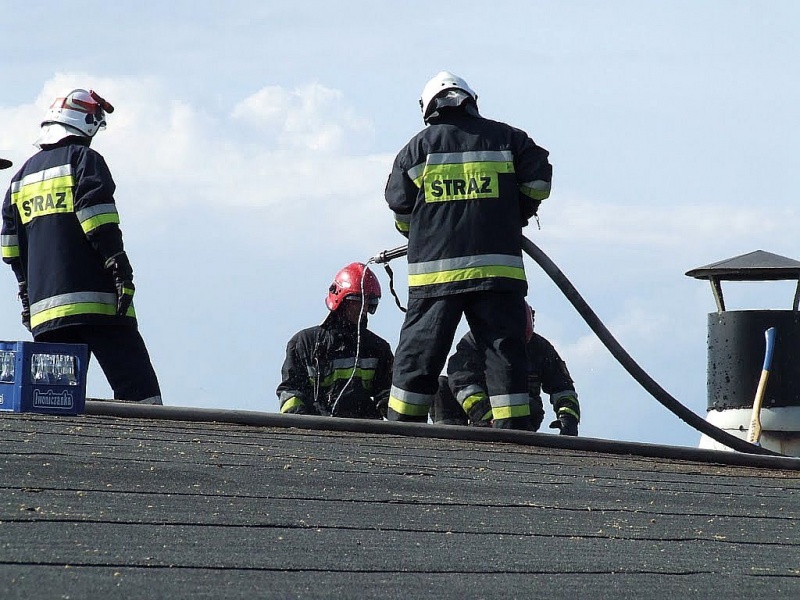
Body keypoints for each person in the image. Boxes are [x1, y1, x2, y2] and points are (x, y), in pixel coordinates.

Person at [384, 71, 553, 430]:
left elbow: (400, 210)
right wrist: (514, 213)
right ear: (471, 101)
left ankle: (399, 430)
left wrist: (423, 231)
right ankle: (516, 438)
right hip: (497, 270)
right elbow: (538, 180)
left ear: (428, 108)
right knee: (504, 354)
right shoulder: (509, 139)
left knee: (418, 355)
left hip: (435, 276)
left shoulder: (416, 149)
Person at [1, 88, 162, 404]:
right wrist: (120, 269)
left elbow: (10, 248)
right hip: (100, 304)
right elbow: (98, 220)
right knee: (143, 401)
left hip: (47, 315)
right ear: (87, 124)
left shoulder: (18, 179)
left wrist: (26, 295)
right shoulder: (85, 160)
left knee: (51, 403)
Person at [431, 305, 581, 435]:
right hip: (481, 413)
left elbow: (563, 388)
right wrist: (486, 416)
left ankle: (519, 434)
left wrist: (568, 418)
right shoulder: (473, 343)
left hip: (522, 415)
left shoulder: (541, 348)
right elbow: (461, 381)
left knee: (529, 405)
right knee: (439, 386)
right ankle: (450, 436)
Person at [277, 262, 394, 419]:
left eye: (368, 302)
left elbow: (387, 394)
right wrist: (303, 428)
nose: (363, 309)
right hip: (317, 434)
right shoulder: (305, 343)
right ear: (341, 300)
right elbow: (290, 393)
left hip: (366, 434)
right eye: (357, 301)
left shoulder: (378, 349)